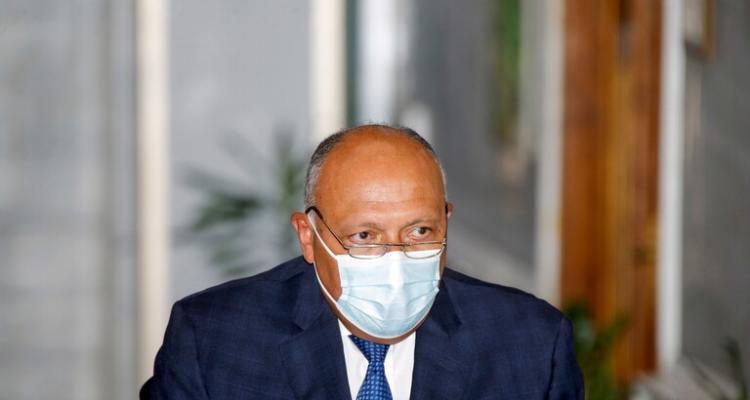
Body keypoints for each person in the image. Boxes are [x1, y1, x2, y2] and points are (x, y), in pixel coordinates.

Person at [144, 124, 584, 399]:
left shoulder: (531, 345)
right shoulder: (214, 341)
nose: (396, 261)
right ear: (308, 237)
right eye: (365, 237)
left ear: (446, 222)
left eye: (420, 231)